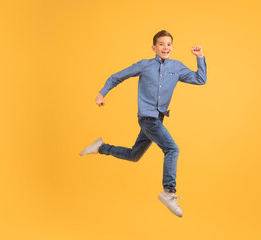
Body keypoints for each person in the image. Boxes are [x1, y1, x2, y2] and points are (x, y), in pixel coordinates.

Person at [80, 30, 207, 217]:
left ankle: (101, 147)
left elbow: (200, 79)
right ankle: (168, 192)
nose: (165, 47)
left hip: (158, 117)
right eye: (161, 44)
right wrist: (102, 93)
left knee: (134, 155)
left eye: (169, 44)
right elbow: (116, 77)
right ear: (154, 48)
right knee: (172, 149)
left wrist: (200, 58)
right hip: (147, 118)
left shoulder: (177, 67)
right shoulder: (144, 65)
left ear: (173, 47)